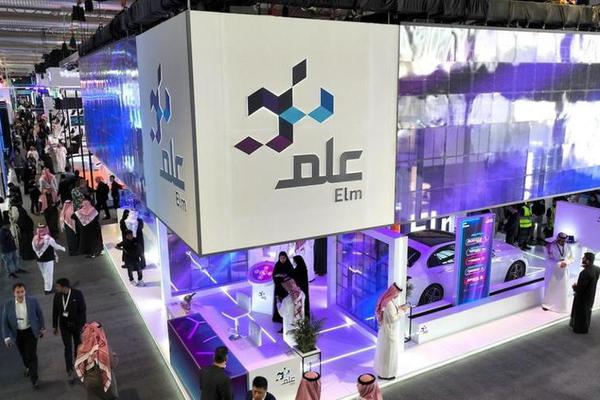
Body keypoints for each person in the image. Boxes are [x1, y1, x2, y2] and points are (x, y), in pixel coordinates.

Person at [2, 282, 46, 388]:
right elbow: (4, 322)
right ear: (14, 293)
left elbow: (39, 314)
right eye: (18, 292)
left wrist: (42, 327)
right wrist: (6, 337)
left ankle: (34, 378)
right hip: (17, 333)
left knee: (32, 354)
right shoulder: (8, 305)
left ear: (25, 291)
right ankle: (27, 367)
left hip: (31, 331)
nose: (20, 294)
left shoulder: (33, 301)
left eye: (22, 291)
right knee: (23, 353)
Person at [53, 278, 86, 383]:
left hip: (76, 326)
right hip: (64, 326)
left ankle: (79, 366)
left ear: (64, 287)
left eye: (58, 286)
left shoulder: (77, 294)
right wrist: (55, 326)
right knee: (67, 347)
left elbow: (82, 311)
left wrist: (82, 326)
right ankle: (69, 370)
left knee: (78, 346)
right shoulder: (57, 296)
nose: (56, 288)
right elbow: (55, 311)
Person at [75, 321, 119, 399]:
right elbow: (113, 364)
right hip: (104, 382)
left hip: (90, 383)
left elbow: (80, 367)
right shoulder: (104, 349)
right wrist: (114, 356)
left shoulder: (81, 349)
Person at [374, 283, 405, 380]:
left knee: (384, 352)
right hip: (389, 333)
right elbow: (393, 319)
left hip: (385, 331)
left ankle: (382, 372)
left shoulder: (386, 300)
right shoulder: (389, 304)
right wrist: (403, 311)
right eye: (397, 293)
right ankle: (387, 374)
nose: (397, 295)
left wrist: (399, 308)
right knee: (389, 354)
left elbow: (388, 313)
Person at [542, 232, 574, 313]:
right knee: (550, 287)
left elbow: (571, 258)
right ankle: (547, 304)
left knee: (563, 288)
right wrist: (558, 264)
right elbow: (547, 260)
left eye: (564, 241)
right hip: (552, 271)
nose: (563, 242)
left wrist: (566, 262)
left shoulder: (568, 246)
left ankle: (561, 306)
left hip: (563, 271)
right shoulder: (549, 246)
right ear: (558, 239)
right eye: (561, 240)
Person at [570, 253, 600, 334]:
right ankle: (585, 326)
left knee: (580, 313)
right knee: (587, 312)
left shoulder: (584, 273)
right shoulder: (597, 269)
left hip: (582, 298)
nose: (582, 259)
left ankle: (580, 329)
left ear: (588, 261)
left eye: (584, 258)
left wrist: (574, 287)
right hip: (591, 296)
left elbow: (581, 288)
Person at [32, 225, 66, 295]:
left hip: (39, 259)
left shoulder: (35, 238)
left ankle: (48, 286)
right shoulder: (49, 239)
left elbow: (33, 248)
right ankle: (48, 289)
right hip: (48, 259)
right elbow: (56, 246)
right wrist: (63, 248)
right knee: (49, 274)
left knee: (44, 273)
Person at [277, 277, 305, 345]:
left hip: (290, 323)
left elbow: (281, 313)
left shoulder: (286, 300)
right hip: (300, 320)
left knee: (291, 339)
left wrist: (278, 303)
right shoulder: (302, 293)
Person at [272, 251, 294, 323]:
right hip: (278, 287)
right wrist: (281, 276)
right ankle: (277, 317)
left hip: (286, 288)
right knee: (278, 301)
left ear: (286, 258)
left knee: (285, 302)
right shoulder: (277, 265)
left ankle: (285, 318)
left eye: (284, 258)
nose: (282, 260)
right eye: (281, 258)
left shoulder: (289, 265)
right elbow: (274, 275)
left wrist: (283, 276)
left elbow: (292, 275)